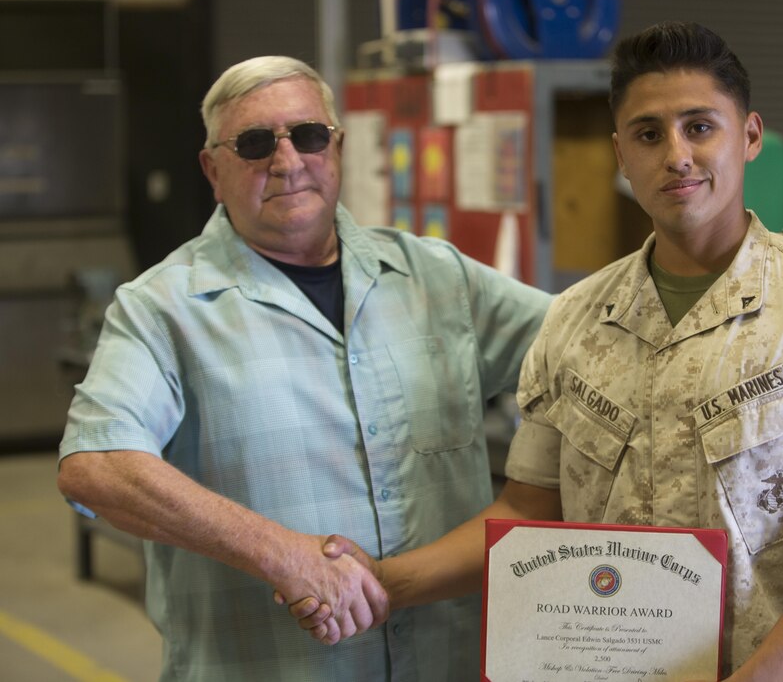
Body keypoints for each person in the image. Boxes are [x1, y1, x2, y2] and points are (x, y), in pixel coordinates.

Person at [291, 21, 783, 681]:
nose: (676, 154)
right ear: (621, 154)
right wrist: (381, 581)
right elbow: (525, 513)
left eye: (700, 126)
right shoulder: (575, 320)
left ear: (750, 136)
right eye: (649, 134)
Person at [56, 55, 551, 681]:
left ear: (337, 146)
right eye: (255, 144)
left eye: (309, 136)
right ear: (213, 169)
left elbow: (587, 347)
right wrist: (283, 555)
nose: (288, 163)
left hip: (445, 662)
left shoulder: (439, 279)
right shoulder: (162, 309)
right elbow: (94, 467)